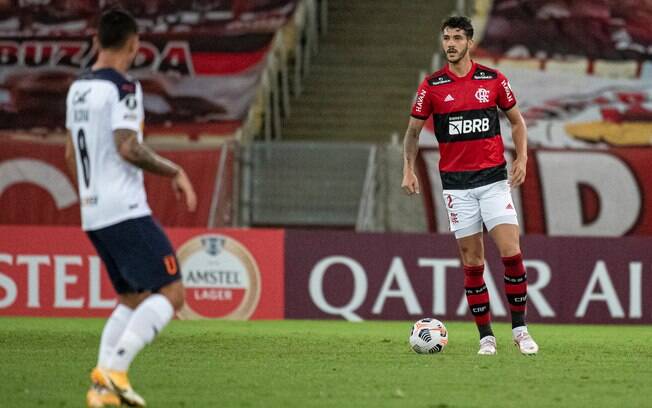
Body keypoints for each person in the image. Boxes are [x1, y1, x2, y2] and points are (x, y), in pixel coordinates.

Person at [64, 9, 197, 407]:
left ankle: (102, 391)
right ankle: (117, 371)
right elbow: (128, 145)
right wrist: (175, 171)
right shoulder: (123, 88)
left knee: (132, 298)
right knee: (172, 292)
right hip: (124, 208)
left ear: (96, 42)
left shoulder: (77, 89)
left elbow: (70, 152)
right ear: (135, 44)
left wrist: (91, 194)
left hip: (93, 211)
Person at [401, 15, 538, 356]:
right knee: (472, 262)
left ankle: (520, 330)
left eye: (457, 38)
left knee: (511, 253)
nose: (450, 43)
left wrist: (521, 158)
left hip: (493, 181)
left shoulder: (492, 80)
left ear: (469, 43)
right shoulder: (432, 87)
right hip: (456, 187)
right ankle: (486, 337)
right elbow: (412, 133)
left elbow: (517, 122)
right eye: (446, 37)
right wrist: (408, 169)